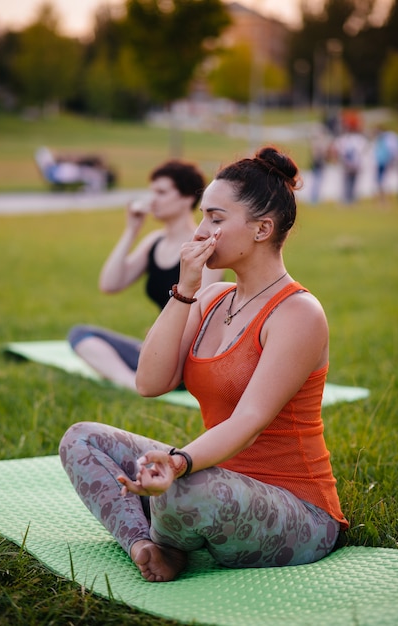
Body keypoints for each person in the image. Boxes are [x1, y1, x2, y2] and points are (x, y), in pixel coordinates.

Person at [60, 146, 349, 584]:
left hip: (299, 513)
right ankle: (146, 545)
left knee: (183, 489)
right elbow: (150, 382)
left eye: (215, 218)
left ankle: (170, 536)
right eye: (202, 217)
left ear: (261, 229)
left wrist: (177, 464)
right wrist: (186, 288)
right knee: (81, 440)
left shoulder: (298, 314)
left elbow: (249, 421)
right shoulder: (212, 300)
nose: (200, 231)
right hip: (217, 479)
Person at [68, 159, 222, 389]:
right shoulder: (155, 241)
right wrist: (131, 231)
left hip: (190, 357)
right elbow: (110, 284)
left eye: (161, 192)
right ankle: (131, 382)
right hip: (160, 351)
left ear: (187, 198)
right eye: (152, 192)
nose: (153, 200)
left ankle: (141, 378)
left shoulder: (204, 247)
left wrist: (159, 341)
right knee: (81, 335)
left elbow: (202, 314)